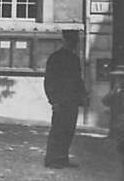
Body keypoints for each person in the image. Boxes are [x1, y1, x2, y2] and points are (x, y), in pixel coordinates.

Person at [44, 29, 87, 168]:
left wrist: (83, 95)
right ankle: (51, 160)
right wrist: (53, 100)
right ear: (64, 41)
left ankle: (62, 158)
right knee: (57, 130)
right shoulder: (55, 58)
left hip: (72, 101)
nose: (72, 45)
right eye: (70, 41)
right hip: (60, 101)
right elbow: (49, 81)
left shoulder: (75, 59)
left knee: (68, 130)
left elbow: (78, 80)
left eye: (74, 42)